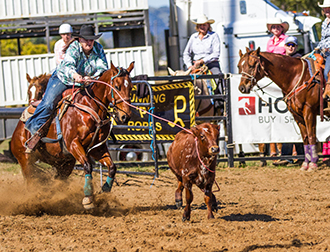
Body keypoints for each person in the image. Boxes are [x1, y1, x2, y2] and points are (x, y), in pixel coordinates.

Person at [25, 24, 108, 150]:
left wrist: (91, 78)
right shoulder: (73, 48)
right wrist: (76, 75)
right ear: (80, 40)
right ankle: (35, 131)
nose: (89, 42)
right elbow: (68, 65)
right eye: (86, 39)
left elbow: (103, 68)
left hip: (86, 81)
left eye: (91, 39)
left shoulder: (99, 48)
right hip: (63, 78)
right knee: (49, 102)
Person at [273, 36, 304, 166]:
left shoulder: (299, 60)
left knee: (298, 124)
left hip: (297, 96)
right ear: (284, 46)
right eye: (288, 45)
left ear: (296, 47)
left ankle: (293, 155)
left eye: (293, 45)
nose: (291, 47)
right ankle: (289, 155)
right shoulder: (281, 60)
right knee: (291, 125)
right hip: (288, 96)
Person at [182, 14, 223, 96]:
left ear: (208, 25)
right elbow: (186, 53)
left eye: (204, 25)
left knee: (217, 77)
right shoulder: (193, 37)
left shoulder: (213, 36)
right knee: (184, 80)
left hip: (211, 64)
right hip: (196, 66)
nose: (202, 27)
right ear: (197, 26)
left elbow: (216, 53)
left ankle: (221, 100)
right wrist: (190, 66)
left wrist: (201, 61)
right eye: (200, 25)